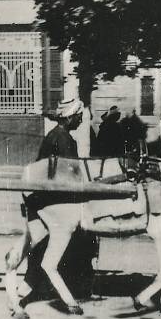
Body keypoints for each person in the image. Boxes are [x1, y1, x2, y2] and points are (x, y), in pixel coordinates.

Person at [25, 98, 98, 299]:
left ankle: (40, 284)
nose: (81, 120)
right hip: (53, 196)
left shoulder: (57, 135)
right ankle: (73, 287)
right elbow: (72, 174)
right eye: (79, 117)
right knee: (79, 238)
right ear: (70, 117)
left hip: (48, 193)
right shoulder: (63, 139)